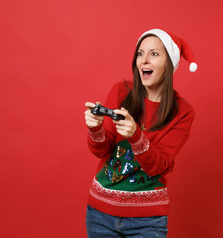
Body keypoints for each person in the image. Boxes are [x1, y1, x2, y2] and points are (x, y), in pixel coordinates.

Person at [84, 28, 197, 238]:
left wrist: (135, 135)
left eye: (154, 54)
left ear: (169, 63)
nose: (144, 60)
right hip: (101, 213)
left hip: (147, 221)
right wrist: (95, 128)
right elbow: (102, 151)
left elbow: (158, 165)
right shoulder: (120, 90)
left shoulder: (182, 112)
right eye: (140, 53)